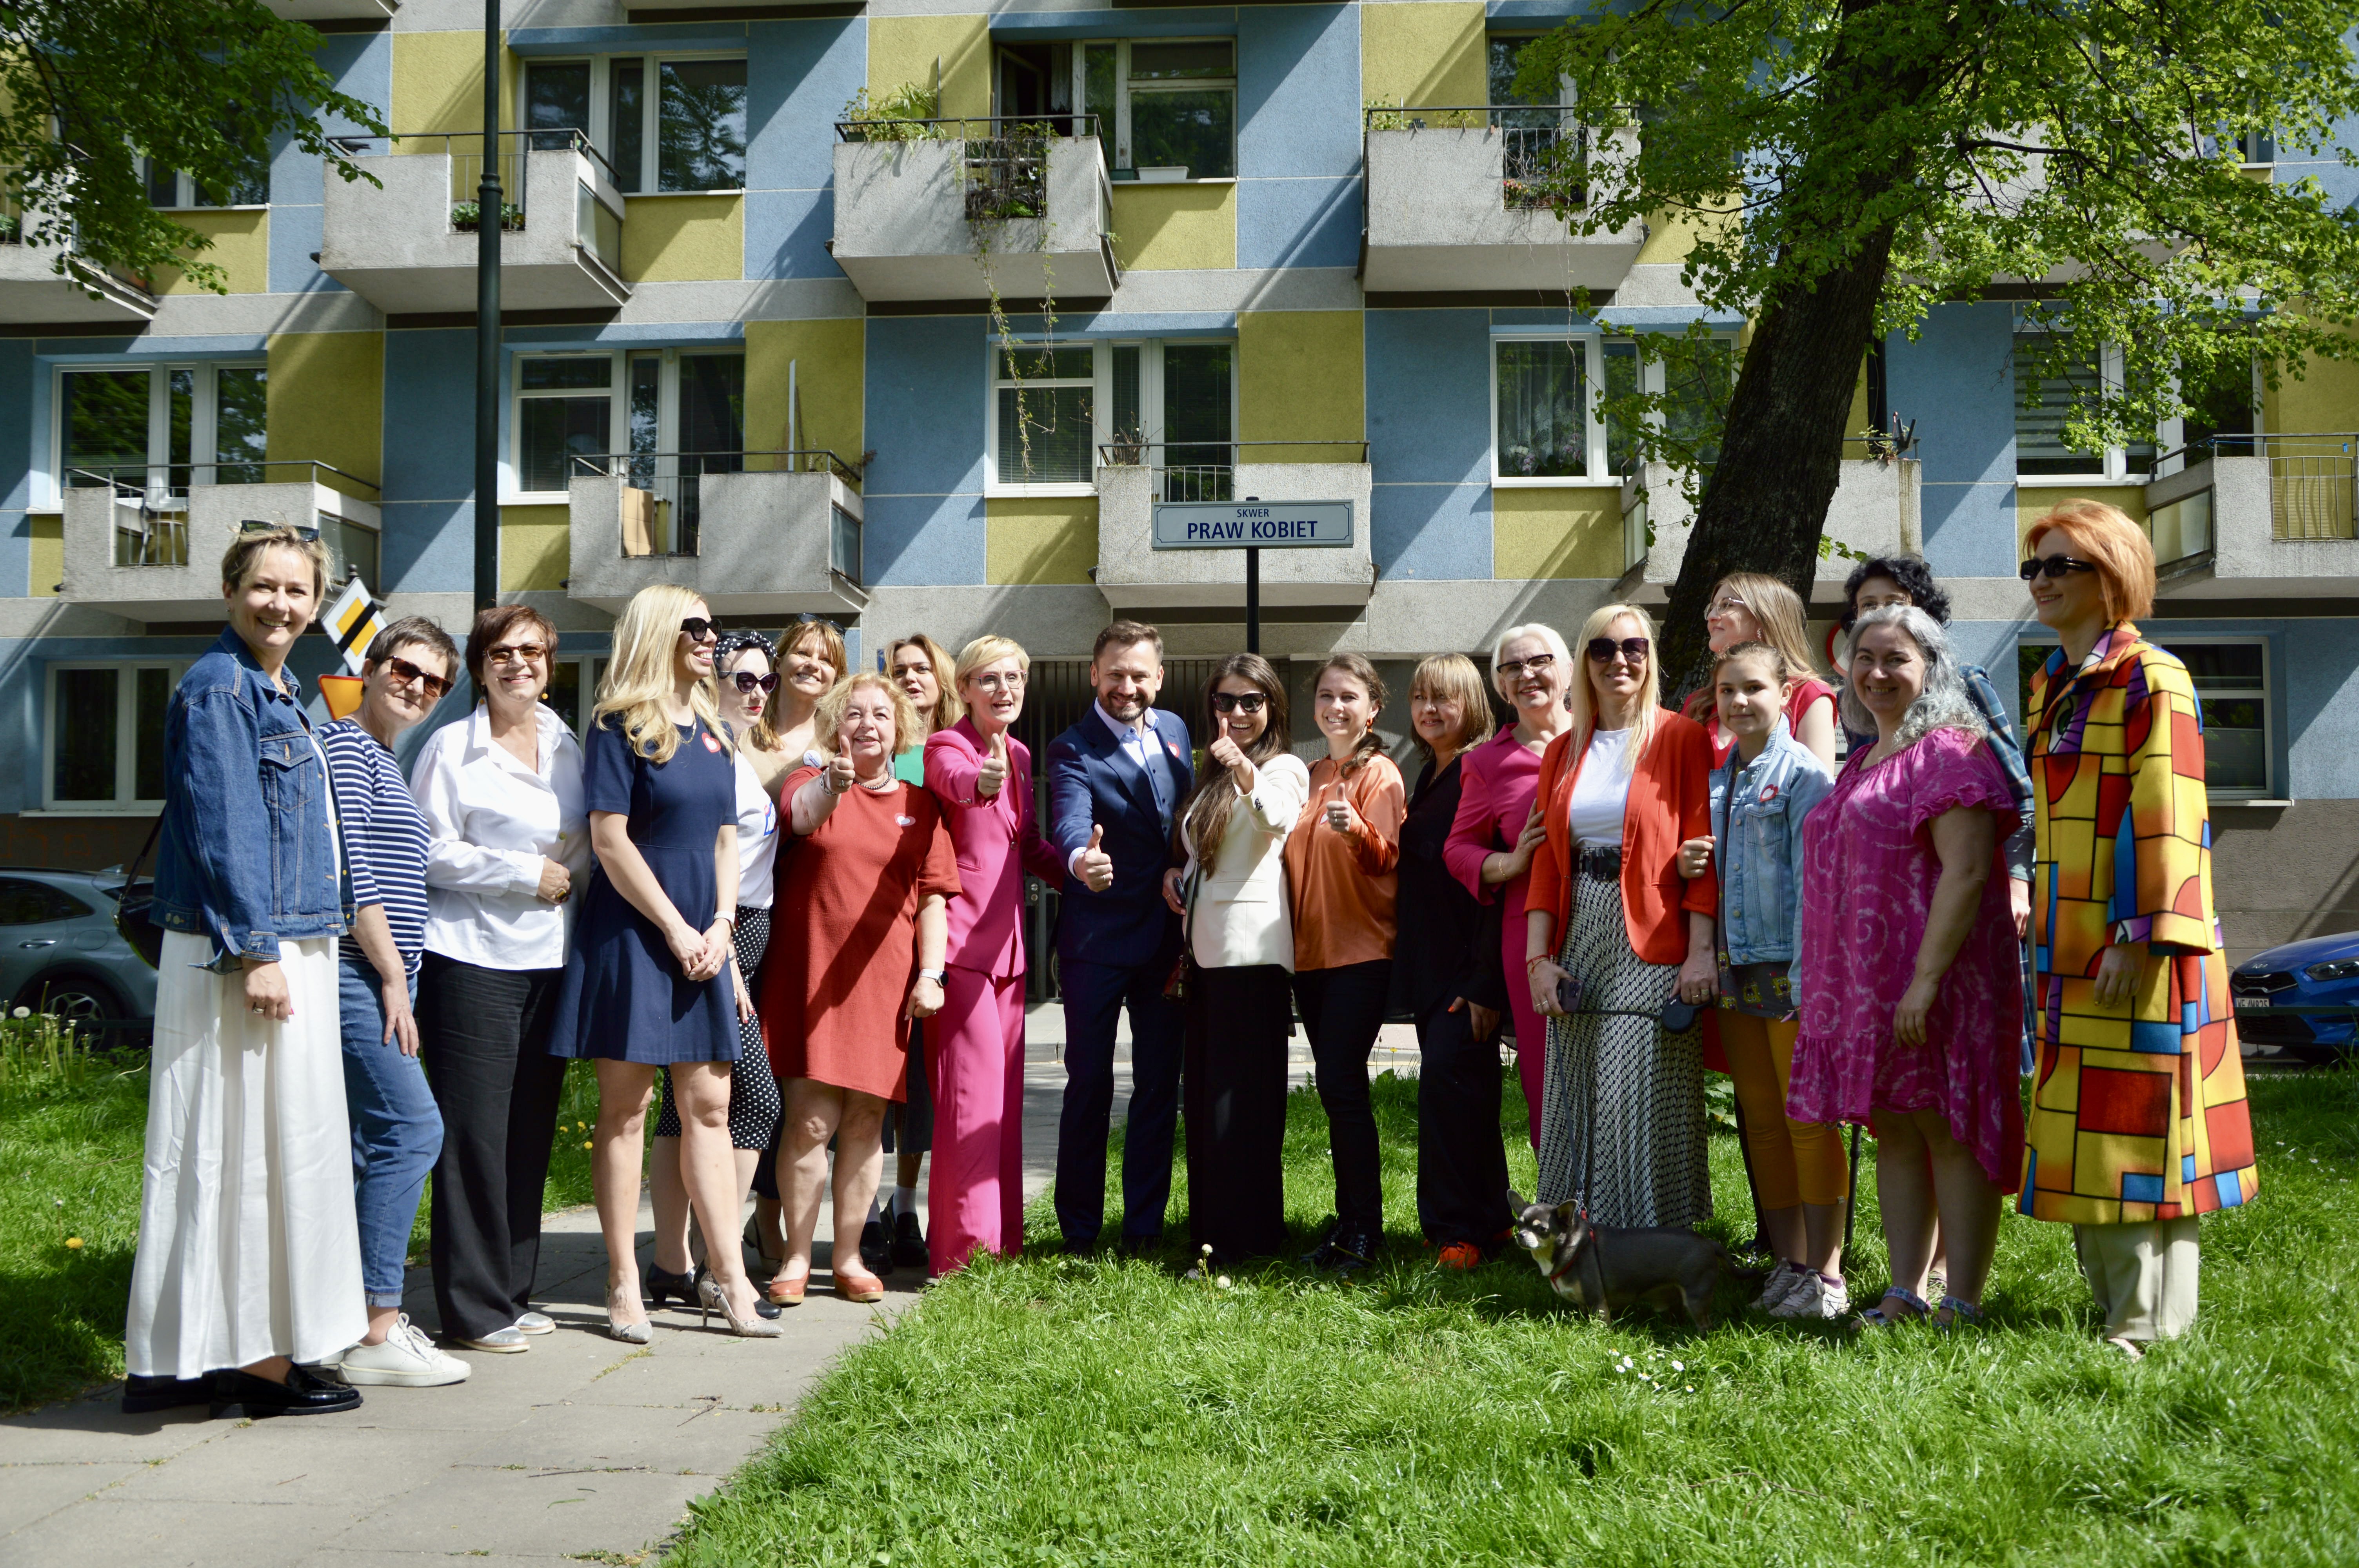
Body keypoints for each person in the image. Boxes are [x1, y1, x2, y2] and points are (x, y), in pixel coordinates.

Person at [122, 523, 364, 1419]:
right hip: (246, 952)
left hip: (276, 941)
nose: (281, 605)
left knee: (258, 1150)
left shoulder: (280, 689)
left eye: (298, 591)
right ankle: (253, 1366)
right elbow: (226, 830)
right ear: (231, 592)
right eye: (265, 587)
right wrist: (257, 953)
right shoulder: (221, 688)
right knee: (244, 1152)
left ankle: (201, 1354)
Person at [2016, 501, 2259, 1358]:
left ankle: (2147, 1326)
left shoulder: (2152, 678)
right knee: (2086, 1130)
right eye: (2033, 567)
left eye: (2059, 566)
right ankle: (2127, 1315)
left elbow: (2166, 811)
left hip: (2133, 947)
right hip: (2067, 948)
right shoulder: (2054, 680)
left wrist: (2138, 931)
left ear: (2109, 574)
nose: (2040, 581)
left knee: (2135, 1129)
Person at [545, 588, 774, 1341]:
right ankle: (622, 1283)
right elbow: (609, 840)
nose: (713, 639)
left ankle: (732, 1282)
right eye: (698, 627)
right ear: (658, 633)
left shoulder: (712, 726)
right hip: (636, 938)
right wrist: (676, 928)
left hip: (702, 940)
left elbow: (726, 839)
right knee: (627, 1111)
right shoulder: (620, 725)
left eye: (714, 625)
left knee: (710, 1107)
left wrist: (717, 923)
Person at [1789, 604, 2025, 1330]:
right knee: (1895, 1129)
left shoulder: (1951, 752)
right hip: (1867, 986)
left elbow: (1965, 871)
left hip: (1940, 980)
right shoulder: (1865, 757)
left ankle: (1961, 1301)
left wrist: (1924, 982)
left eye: (1896, 659)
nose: (1877, 673)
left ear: (1931, 667)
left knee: (1947, 1132)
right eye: (1865, 658)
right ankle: (1903, 1291)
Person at [411, 604, 589, 1354]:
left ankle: (513, 1292)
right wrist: (523, 875)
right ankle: (472, 1309)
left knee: (527, 1134)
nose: (519, 664)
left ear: (550, 663)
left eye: (533, 651)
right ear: (480, 669)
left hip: (550, 962)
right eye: (501, 653)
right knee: (474, 1139)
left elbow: (584, 841)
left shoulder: (568, 743)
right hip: (471, 960)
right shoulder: (452, 748)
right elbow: (425, 849)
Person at [763, 672, 959, 1303]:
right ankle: (797, 1257)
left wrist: (932, 974)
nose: (867, 723)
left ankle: (848, 1257)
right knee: (811, 1123)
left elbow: (933, 899)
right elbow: (799, 816)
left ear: (898, 730)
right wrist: (832, 783)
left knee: (867, 1122)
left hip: (884, 984)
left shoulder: (921, 805)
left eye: (880, 714)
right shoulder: (807, 782)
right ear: (833, 726)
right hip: (811, 976)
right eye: (853, 714)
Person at [1526, 605, 1718, 1227]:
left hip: (1654, 930)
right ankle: (1570, 1231)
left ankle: (1641, 1234)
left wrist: (1700, 950)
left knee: (1632, 1084)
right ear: (1584, 662)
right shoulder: (1561, 751)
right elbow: (1548, 865)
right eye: (1603, 650)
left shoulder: (1680, 737)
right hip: (1579, 924)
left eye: (1634, 647)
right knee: (1576, 1081)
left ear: (1651, 657)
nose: (1620, 661)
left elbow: (1704, 850)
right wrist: (1538, 960)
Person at [320, 617, 473, 1388]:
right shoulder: (348, 747)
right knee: (413, 1130)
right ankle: (380, 1324)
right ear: (372, 667)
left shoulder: (382, 756)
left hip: (389, 975)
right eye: (404, 669)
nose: (417, 687)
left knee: (368, 1146)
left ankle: (346, 1317)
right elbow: (352, 873)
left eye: (435, 681)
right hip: (362, 975)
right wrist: (388, 977)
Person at [1693, 641, 1845, 1319]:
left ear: (1786, 694)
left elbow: (1821, 889)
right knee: (1761, 1123)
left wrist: (1810, 984)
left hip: (1790, 976)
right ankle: (1789, 1264)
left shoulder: (1805, 776)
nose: (1739, 702)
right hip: (1735, 975)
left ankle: (1827, 1272)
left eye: (1753, 688)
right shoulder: (1720, 778)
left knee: (1806, 1122)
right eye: (1728, 691)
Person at [646, 630, 788, 1319]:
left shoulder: (737, 751)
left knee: (684, 1108)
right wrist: (727, 966)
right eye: (742, 679)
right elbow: (699, 863)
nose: (756, 691)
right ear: (713, 681)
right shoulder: (699, 750)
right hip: (712, 940)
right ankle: (718, 1265)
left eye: (766, 681)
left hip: (744, 933)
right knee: (754, 1104)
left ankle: (672, 1263)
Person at [1044, 621, 1194, 1254]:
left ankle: (1142, 1229)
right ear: (1093, 674)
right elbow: (1070, 822)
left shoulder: (1178, 732)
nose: (1126, 687)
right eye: (1115, 675)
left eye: (1139, 675)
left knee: (1159, 1087)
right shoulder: (1071, 748)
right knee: (1090, 1087)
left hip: (1166, 942)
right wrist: (1082, 860)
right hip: (1097, 942)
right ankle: (1079, 1231)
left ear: (1158, 678)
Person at [923, 636, 1067, 1274]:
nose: (1004, 689)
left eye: (1015, 678)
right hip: (959, 951)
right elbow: (959, 787)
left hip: (1007, 953)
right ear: (965, 688)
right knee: (968, 1106)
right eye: (990, 679)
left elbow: (1027, 843)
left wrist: (1076, 872)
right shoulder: (946, 747)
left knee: (1000, 1110)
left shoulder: (1018, 750)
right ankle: (963, 1257)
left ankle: (1004, 1245)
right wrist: (981, 780)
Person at [1165, 654, 1309, 1268]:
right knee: (1205, 1100)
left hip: (1252, 958)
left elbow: (1277, 820)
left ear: (1273, 706)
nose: (1239, 712)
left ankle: (1248, 1236)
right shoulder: (1210, 773)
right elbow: (1206, 852)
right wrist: (1180, 872)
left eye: (1253, 701)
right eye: (1227, 701)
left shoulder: (1283, 767)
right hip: (1206, 955)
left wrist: (1246, 771)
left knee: (1245, 1102)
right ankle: (1212, 1229)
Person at [1283, 654, 1407, 1275]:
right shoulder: (1306, 775)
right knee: (1336, 1090)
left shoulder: (1379, 773)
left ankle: (1365, 1228)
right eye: (1327, 695)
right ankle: (1348, 1221)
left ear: (1373, 709)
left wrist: (1355, 827)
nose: (1336, 706)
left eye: (1349, 697)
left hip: (1361, 952)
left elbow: (1387, 859)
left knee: (1340, 1083)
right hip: (1309, 957)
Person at [1840, 555, 2035, 937]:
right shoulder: (1861, 705)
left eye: (1895, 601)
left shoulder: (1967, 683)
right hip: (1889, 909)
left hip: (1963, 898)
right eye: (1868, 604)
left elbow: (2018, 793)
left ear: (1923, 613)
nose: (1881, 612)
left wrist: (2017, 883)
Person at [1390, 654, 1510, 1270]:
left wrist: (1484, 980)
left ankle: (1456, 1233)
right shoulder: (1429, 771)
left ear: (1474, 706)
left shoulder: (1476, 769)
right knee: (1465, 1090)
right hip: (1433, 966)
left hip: (1468, 969)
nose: (1431, 710)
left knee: (1448, 1086)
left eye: (1446, 699)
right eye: (1421, 699)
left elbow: (1498, 881)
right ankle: (1492, 1222)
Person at [1446, 625, 1576, 1147]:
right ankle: (1567, 1215)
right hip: (1531, 938)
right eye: (1511, 668)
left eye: (1539, 661)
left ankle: (1630, 1219)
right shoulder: (1487, 762)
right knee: (1551, 1079)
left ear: (1565, 669)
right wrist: (1512, 862)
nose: (1527, 675)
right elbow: (1458, 849)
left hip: (1618, 923)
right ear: (1500, 686)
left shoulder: (1608, 739)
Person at [746, 617, 843, 1267]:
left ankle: (780, 1223)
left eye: (826, 658)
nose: (812, 665)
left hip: (813, 927)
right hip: (749, 920)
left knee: (800, 1085)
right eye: (802, 653)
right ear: (779, 661)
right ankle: (737, 1219)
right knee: (742, 1080)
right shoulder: (744, 729)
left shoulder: (840, 738)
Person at [871, 631, 964, 1272]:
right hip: (882, 932)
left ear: (941, 680)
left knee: (924, 1086)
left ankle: (907, 1207)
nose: (909, 678)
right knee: (878, 1081)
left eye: (920, 669)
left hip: (943, 933)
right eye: (898, 669)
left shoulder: (955, 749)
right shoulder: (883, 749)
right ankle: (873, 1204)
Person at [1686, 572, 1840, 769]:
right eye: (1712, 607)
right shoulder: (1699, 702)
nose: (1712, 617)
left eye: (1726, 605)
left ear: (1763, 616)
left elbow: (1817, 790)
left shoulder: (1808, 693)